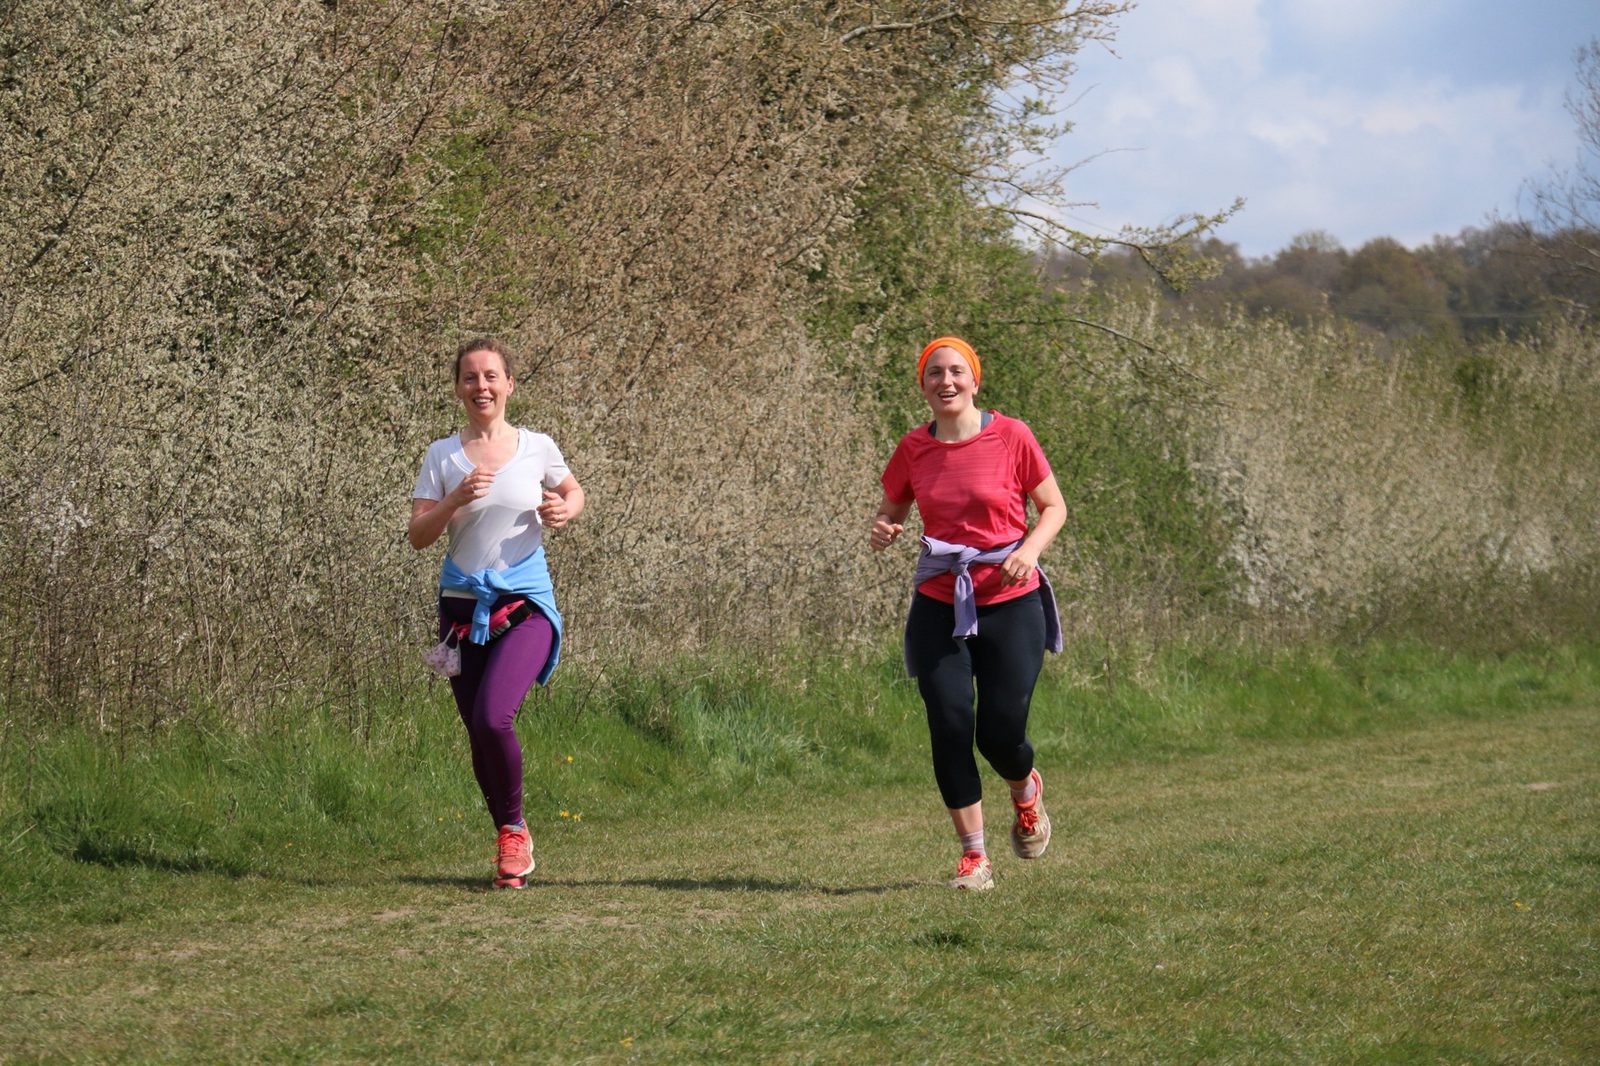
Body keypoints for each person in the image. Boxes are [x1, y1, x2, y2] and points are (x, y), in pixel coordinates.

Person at [871, 336, 1067, 891]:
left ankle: (1025, 790)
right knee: (950, 724)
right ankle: (974, 857)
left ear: (975, 380)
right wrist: (885, 529)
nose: (946, 381)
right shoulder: (912, 448)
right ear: (923, 385)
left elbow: (1054, 507)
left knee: (1000, 733)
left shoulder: (1012, 435)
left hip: (1010, 601)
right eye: (935, 373)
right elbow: (891, 510)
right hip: (939, 602)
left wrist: (1026, 553)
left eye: (957, 371)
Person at [409, 337, 585, 890]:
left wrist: (563, 509)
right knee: (476, 732)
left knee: (493, 717)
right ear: (458, 388)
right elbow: (418, 535)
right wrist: (453, 500)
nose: (480, 386)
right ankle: (511, 840)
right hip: (461, 611)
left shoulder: (537, 447)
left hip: (524, 605)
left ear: (509, 384)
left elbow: (573, 492)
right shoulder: (442, 456)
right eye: (469, 377)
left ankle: (512, 829)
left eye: (490, 376)